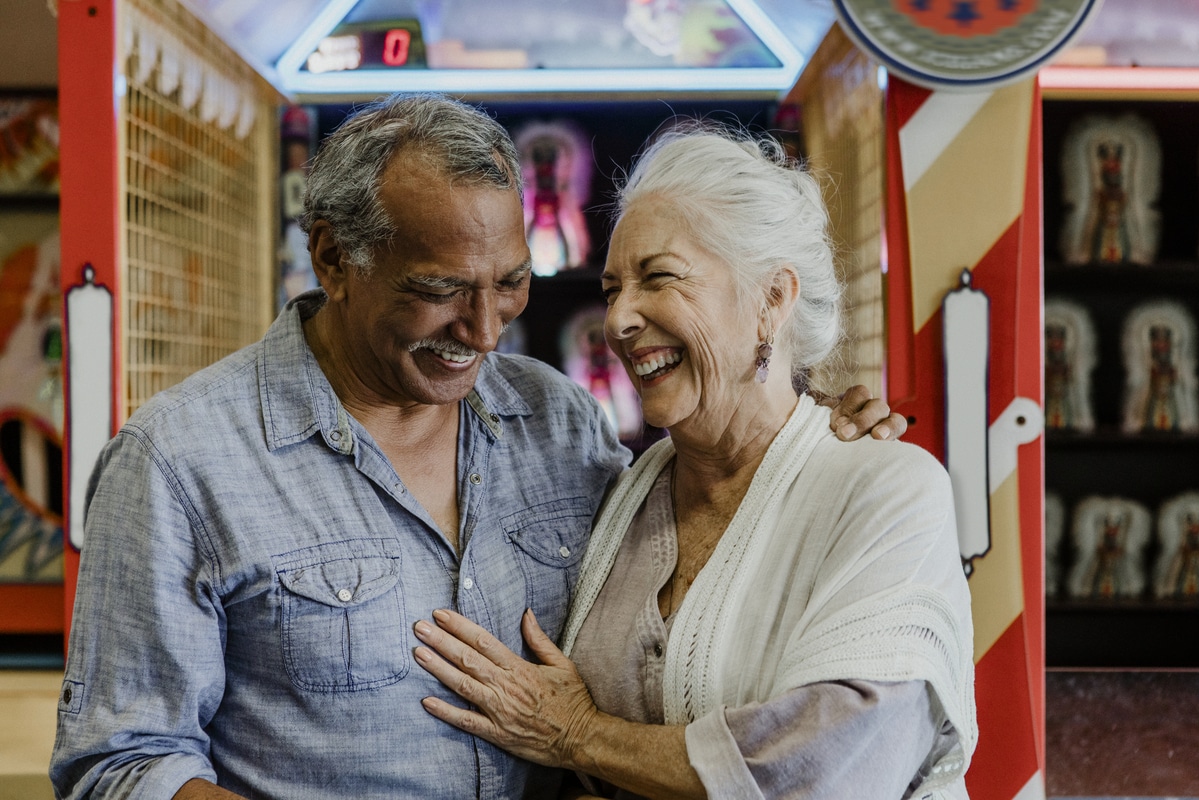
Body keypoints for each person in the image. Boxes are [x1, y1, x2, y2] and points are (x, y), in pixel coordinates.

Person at [50, 94, 903, 800]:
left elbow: (708, 522)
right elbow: (119, 762)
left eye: (510, 284)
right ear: (333, 259)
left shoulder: (560, 423)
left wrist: (810, 429)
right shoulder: (178, 462)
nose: (486, 330)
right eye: (439, 291)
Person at [412, 125, 977, 799]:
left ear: (772, 299)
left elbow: (828, 770)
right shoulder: (620, 494)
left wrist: (578, 734)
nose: (619, 319)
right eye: (614, 286)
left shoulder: (888, 489)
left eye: (659, 278)